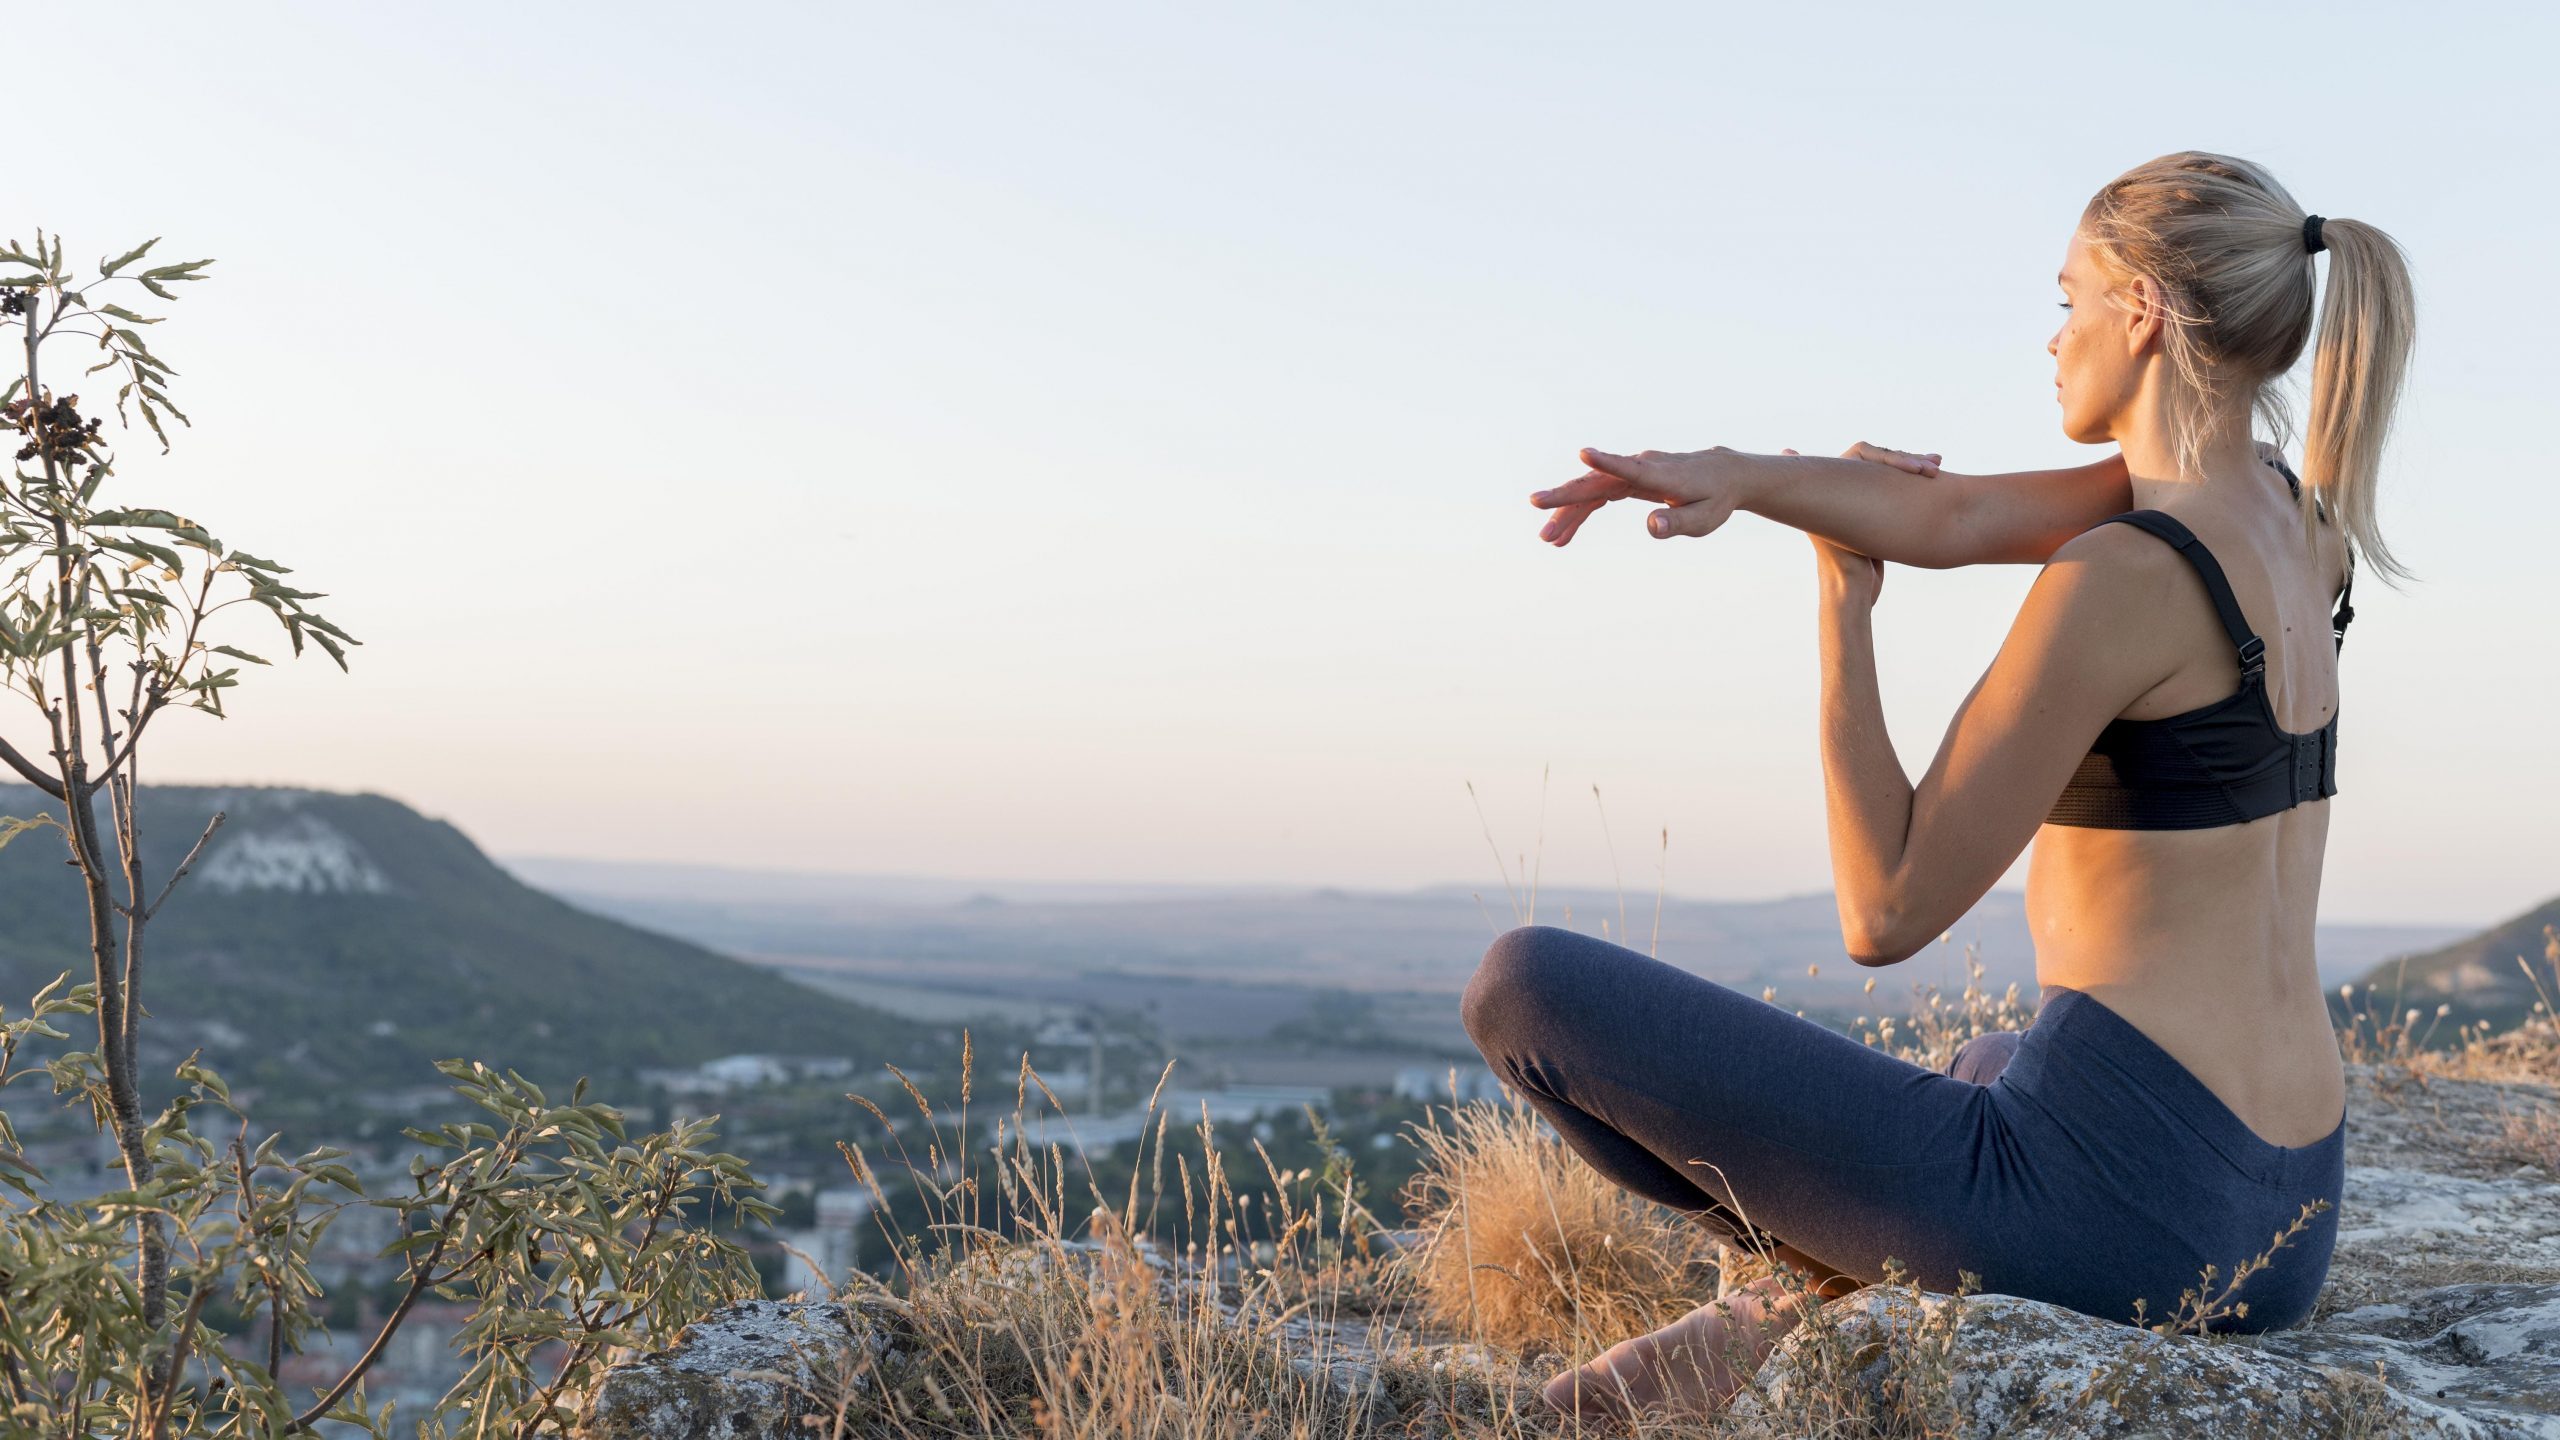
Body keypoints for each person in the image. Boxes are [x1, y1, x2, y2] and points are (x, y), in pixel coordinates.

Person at [1459, 150, 2415, 1423]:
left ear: (2139, 313)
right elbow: (1955, 516)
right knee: (1987, 1057)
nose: (2053, 335)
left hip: (2136, 1230)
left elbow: (1886, 911)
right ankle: (1784, 1310)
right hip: (2282, 1220)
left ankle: (1772, 1304)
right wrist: (1739, 476)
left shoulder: (2121, 577)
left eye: (2069, 298)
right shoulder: (2292, 517)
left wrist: (1837, 606)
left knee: (1523, 990)